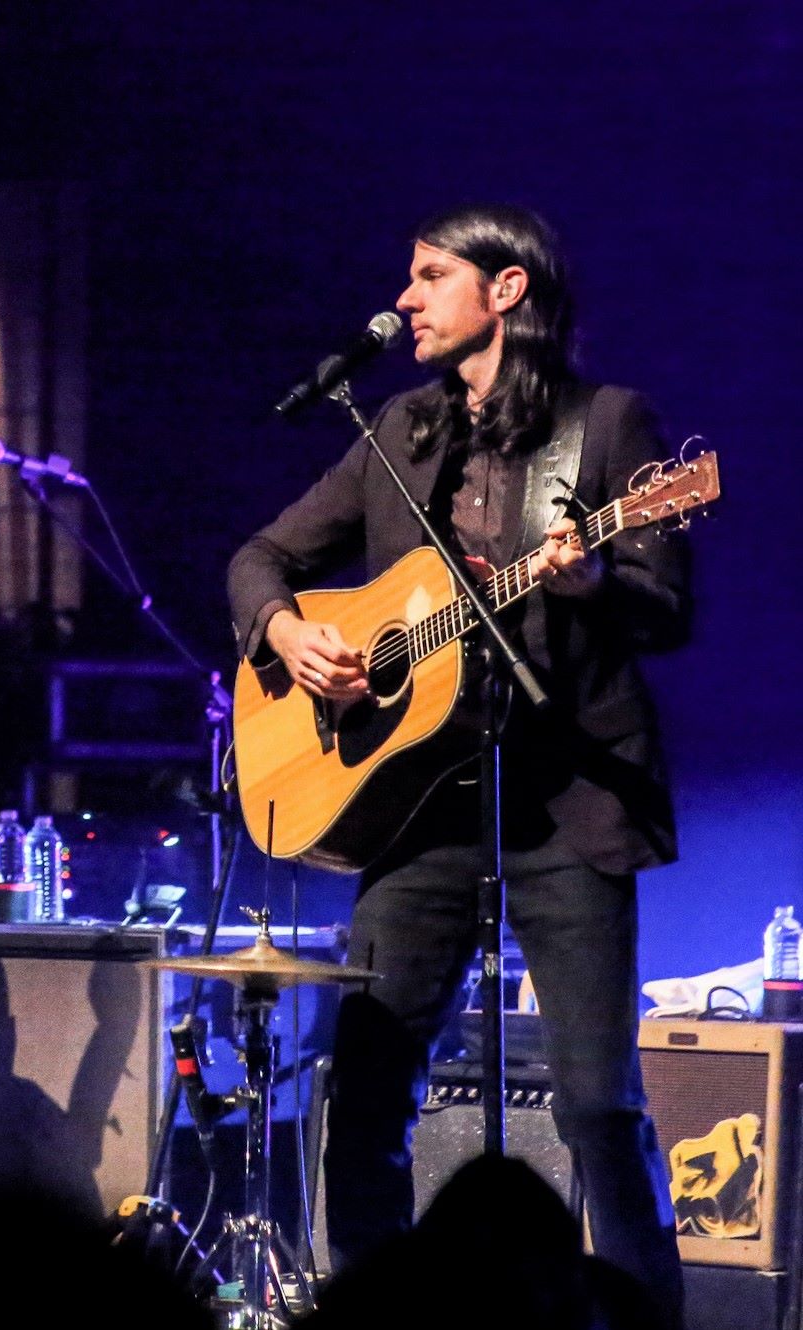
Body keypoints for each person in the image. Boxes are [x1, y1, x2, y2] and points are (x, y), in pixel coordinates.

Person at [226, 205, 689, 1321]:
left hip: (566, 805)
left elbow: (667, 608)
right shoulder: (401, 429)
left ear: (509, 290)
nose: (410, 297)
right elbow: (262, 556)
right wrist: (292, 635)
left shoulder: (607, 424)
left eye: (434, 275)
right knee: (368, 1095)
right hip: (418, 814)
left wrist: (589, 580)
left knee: (595, 1108)